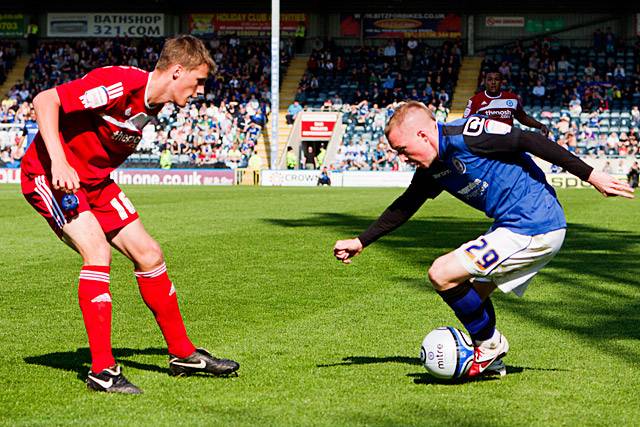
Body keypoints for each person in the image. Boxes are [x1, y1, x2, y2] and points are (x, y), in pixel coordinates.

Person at [333, 101, 633, 379]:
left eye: (402, 148)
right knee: (471, 296)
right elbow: (406, 204)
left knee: (441, 273)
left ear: (423, 134)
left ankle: (489, 346)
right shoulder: (432, 167)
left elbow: (529, 139)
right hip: (515, 227)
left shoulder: (468, 133)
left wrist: (592, 176)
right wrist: (362, 241)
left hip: (533, 225)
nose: (402, 157)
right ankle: (490, 355)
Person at [19, 35, 240, 395]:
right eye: (198, 80)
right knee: (97, 253)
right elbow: (47, 99)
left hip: (95, 182)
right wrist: (58, 161)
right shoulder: (120, 84)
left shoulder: (155, 103)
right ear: (177, 71)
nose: (200, 90)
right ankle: (102, 370)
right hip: (50, 176)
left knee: (150, 254)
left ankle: (182, 354)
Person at [464, 68, 550, 135]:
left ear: (501, 82)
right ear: (485, 82)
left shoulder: (512, 98)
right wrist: (485, 120)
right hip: (485, 143)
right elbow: (465, 123)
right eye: (490, 80)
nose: (493, 82)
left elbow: (522, 117)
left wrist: (540, 125)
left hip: (508, 141)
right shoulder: (474, 100)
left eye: (496, 79)